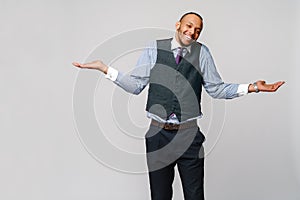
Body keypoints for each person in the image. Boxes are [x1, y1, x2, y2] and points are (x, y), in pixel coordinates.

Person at [72, 12, 285, 200]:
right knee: (160, 196)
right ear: (178, 25)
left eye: (198, 30)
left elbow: (216, 89)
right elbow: (136, 86)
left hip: (189, 136)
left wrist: (253, 87)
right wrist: (104, 69)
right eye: (189, 26)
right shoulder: (154, 48)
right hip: (158, 135)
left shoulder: (203, 53)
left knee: (195, 196)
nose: (192, 32)